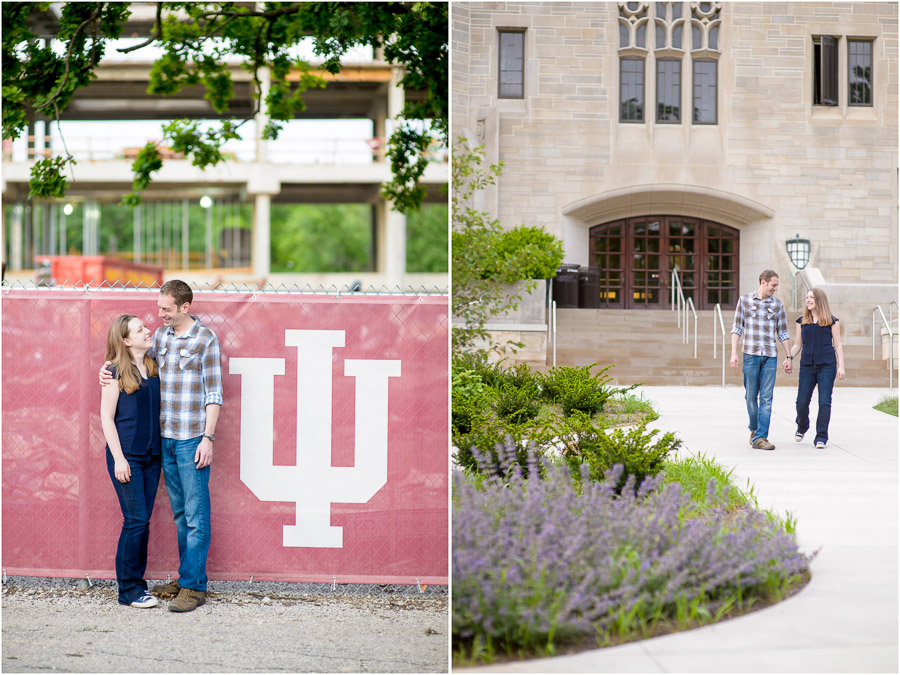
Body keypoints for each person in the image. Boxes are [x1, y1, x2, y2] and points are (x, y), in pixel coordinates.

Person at [101, 280, 223, 613]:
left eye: (166, 309)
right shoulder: (160, 339)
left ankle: (194, 587)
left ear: (185, 307)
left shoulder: (205, 340)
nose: (159, 315)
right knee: (181, 514)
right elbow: (129, 362)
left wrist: (208, 438)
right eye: (158, 308)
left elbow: (214, 393)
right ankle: (186, 579)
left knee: (196, 516)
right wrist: (107, 369)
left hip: (191, 440)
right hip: (164, 442)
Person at [99, 315, 162, 609]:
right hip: (127, 457)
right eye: (140, 330)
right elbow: (106, 418)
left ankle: (139, 586)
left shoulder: (152, 366)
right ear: (126, 340)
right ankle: (129, 592)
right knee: (135, 521)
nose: (147, 331)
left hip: (152, 457)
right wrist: (119, 460)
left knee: (142, 523)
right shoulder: (113, 372)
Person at [730, 270, 793, 451]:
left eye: (777, 285)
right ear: (763, 282)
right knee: (751, 397)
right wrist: (734, 352)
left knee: (766, 398)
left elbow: (783, 332)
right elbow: (737, 328)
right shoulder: (745, 300)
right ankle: (754, 429)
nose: (776, 288)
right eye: (773, 285)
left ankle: (760, 437)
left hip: (770, 357)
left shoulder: (777, 305)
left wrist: (788, 356)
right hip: (750, 355)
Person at [786, 288, 845, 449]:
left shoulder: (832, 321)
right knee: (801, 402)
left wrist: (841, 366)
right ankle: (802, 425)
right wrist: (789, 357)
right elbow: (798, 344)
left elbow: (838, 344)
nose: (808, 300)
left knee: (825, 402)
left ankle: (821, 437)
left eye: (812, 297)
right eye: (807, 297)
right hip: (807, 366)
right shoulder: (801, 321)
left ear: (820, 300)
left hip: (827, 365)